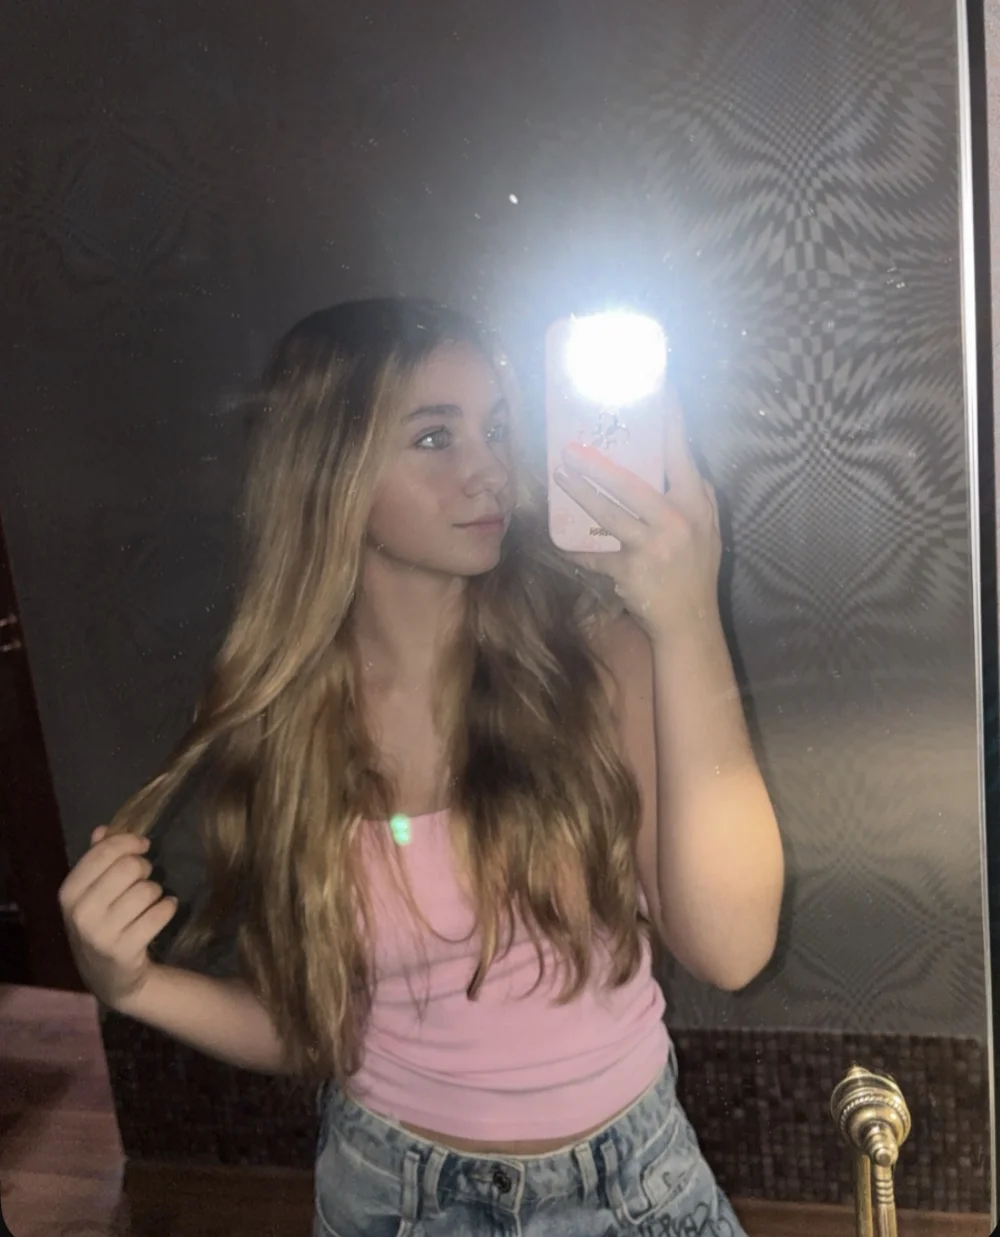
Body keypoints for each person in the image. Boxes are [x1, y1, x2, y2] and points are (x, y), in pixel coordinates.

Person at [58, 298, 784, 1236]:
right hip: (395, 1197)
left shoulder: (598, 662)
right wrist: (134, 987)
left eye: (496, 428)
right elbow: (317, 1027)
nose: (490, 469)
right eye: (436, 437)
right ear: (332, 473)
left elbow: (732, 947)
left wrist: (685, 618)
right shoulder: (288, 722)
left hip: (635, 1186)